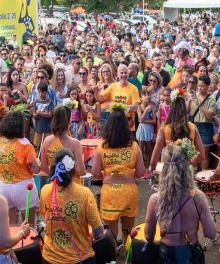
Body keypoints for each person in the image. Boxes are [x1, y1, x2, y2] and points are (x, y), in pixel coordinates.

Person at [144, 143, 216, 264]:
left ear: (164, 169)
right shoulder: (198, 197)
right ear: (187, 168)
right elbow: (211, 233)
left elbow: (148, 237)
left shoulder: (156, 200)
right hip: (193, 255)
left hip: (168, 257)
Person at [91, 107, 145, 241]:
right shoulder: (133, 145)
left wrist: (108, 175)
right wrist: (127, 173)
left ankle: (113, 254)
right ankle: (128, 254)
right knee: (128, 232)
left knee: (111, 235)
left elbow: (95, 173)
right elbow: (141, 172)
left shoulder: (102, 145)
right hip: (129, 192)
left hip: (110, 193)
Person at [0, 110, 41, 226]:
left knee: (11, 226)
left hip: (3, 187)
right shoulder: (25, 145)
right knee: (29, 225)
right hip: (23, 187)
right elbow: (36, 169)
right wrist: (38, 162)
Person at [149, 89, 204, 171]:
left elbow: (153, 161)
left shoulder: (164, 129)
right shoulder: (193, 127)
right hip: (187, 171)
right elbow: (202, 155)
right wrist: (189, 162)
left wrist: (152, 171)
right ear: (184, 110)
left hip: (169, 171)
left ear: (171, 109)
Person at [39, 106, 86, 178]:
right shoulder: (75, 143)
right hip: (72, 183)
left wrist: (55, 177)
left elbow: (43, 166)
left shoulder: (46, 141)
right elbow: (81, 172)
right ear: (69, 121)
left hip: (55, 182)